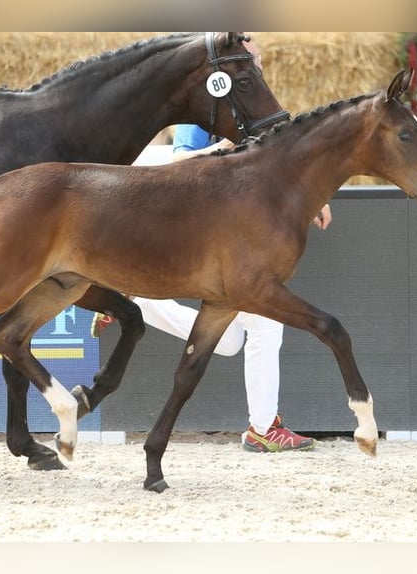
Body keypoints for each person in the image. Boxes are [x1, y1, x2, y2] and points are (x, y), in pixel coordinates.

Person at [92, 37, 332, 453]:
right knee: (263, 325)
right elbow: (178, 167)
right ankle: (262, 427)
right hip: (204, 235)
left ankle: (137, 301)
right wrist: (222, 149)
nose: (255, 66)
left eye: (256, 60)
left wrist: (313, 200)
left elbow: (279, 165)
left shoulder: (256, 106)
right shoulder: (207, 105)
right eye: (250, 60)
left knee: (230, 342)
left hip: (239, 236)